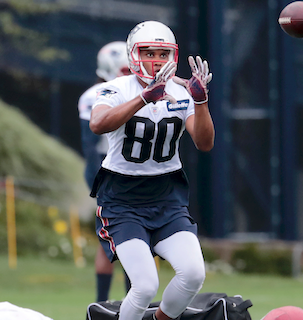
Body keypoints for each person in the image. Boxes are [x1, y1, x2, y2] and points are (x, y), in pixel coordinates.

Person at [89, 20, 214, 320]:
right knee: (144, 286)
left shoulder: (180, 91)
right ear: (134, 55)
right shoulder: (117, 88)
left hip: (167, 196)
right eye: (149, 53)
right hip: (122, 199)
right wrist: (144, 97)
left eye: (162, 53)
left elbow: (205, 142)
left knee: (194, 274)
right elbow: (98, 124)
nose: (156, 60)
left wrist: (201, 101)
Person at [77, 41, 132, 302]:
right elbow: (90, 144)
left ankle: (113, 304)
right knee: (125, 238)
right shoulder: (97, 95)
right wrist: (96, 178)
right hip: (112, 169)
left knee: (118, 238)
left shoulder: (137, 91)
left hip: (125, 168)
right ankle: (104, 305)